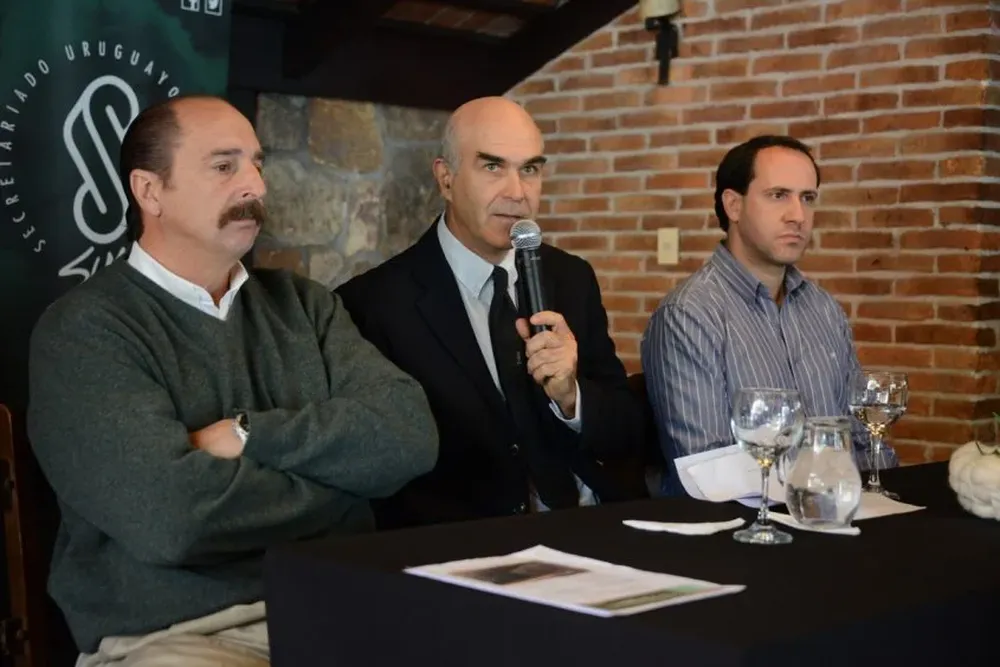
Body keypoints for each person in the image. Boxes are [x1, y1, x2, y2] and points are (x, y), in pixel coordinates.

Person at [26, 95, 439, 666]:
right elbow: (171, 520)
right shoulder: (85, 330)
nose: (255, 186)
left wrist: (248, 435)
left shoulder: (304, 304)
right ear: (150, 191)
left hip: (342, 607)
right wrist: (348, 494)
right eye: (225, 166)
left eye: (257, 164)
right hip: (178, 639)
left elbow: (409, 436)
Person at [336, 96, 647, 528]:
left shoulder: (571, 277)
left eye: (530, 170)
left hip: (594, 524)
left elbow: (627, 430)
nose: (517, 193)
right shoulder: (372, 304)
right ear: (445, 179)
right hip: (470, 546)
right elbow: (380, 468)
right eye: (492, 167)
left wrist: (572, 396)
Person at [641, 134, 897, 496]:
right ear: (733, 205)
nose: (798, 215)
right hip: (739, 534)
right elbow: (708, 468)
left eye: (807, 198)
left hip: (838, 517)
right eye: (778, 195)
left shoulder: (825, 309)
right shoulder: (688, 315)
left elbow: (860, 438)